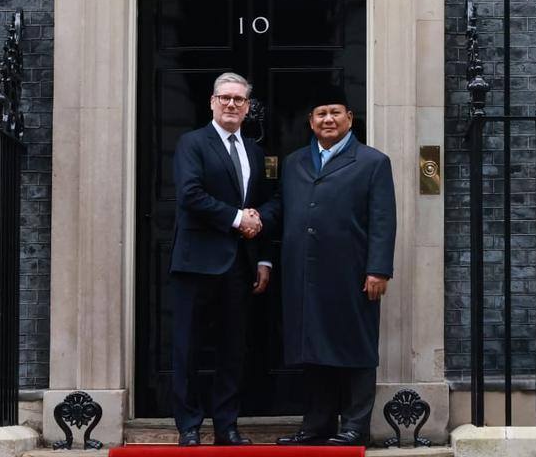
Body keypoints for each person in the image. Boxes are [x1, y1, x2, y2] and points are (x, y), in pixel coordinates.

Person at [274, 86, 396, 447]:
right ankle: (317, 424)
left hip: (353, 274)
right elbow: (282, 208)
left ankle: (355, 425)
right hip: (304, 274)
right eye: (321, 113)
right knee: (312, 351)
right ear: (311, 123)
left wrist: (378, 269)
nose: (328, 119)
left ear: (349, 119)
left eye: (335, 112)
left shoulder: (373, 162)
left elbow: (383, 220)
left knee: (355, 349)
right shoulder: (295, 162)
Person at [168, 72, 277, 446]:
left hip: (239, 265)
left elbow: (262, 204)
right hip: (196, 262)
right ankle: (189, 426)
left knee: (233, 349)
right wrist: (237, 219)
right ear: (212, 102)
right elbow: (190, 195)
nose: (232, 104)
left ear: (248, 108)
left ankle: (226, 426)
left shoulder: (255, 151)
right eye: (225, 98)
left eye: (239, 100)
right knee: (189, 347)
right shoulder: (192, 143)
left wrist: (264, 259)